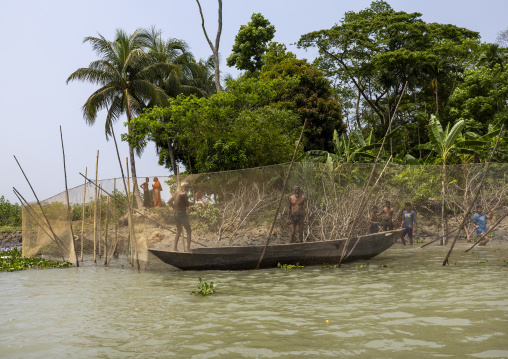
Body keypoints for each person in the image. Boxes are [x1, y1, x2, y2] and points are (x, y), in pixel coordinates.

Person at [168, 182, 192, 252]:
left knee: (179, 231)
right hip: (182, 214)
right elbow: (187, 205)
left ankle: (175, 248)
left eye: (188, 187)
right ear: (183, 187)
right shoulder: (184, 194)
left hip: (176, 213)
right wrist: (192, 207)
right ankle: (188, 249)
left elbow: (169, 202)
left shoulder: (177, 193)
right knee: (188, 230)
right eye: (187, 187)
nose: (188, 188)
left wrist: (174, 208)